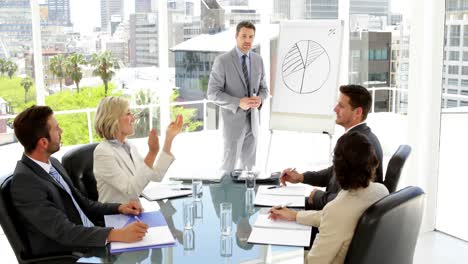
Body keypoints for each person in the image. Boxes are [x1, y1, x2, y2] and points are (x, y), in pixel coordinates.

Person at [10, 105, 149, 257]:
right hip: (73, 253)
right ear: (43, 142)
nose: (61, 131)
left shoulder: (53, 163)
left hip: (91, 237)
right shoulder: (25, 182)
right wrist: (116, 235)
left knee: (143, 247)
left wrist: (119, 208)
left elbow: (83, 203)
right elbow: (63, 231)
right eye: (57, 129)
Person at [270, 131, 389, 264]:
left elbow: (313, 262)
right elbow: (330, 216)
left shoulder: (338, 210)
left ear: (337, 169)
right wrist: (295, 216)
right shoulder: (381, 191)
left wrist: (277, 255)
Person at [280, 84, 384, 210]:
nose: (335, 109)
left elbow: (352, 199)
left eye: (341, 106)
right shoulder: (360, 137)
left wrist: (318, 196)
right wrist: (302, 177)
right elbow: (334, 172)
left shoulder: (360, 145)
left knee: (279, 210)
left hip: (336, 213)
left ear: (358, 112)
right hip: (332, 206)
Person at [93, 96, 183, 203]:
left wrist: (169, 138)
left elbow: (155, 175)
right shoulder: (103, 153)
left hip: (135, 212)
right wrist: (152, 153)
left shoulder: (128, 146)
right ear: (113, 119)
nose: (134, 119)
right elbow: (131, 191)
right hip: (117, 216)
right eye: (128, 114)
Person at [207, 21, 269, 171]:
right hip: (233, 125)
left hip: (253, 124)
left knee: (249, 172)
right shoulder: (222, 61)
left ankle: (247, 195)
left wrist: (260, 98)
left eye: (251, 37)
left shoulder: (258, 60)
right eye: (244, 36)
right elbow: (212, 93)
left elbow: (264, 89)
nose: (248, 40)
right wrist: (237, 102)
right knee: (228, 170)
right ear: (236, 36)